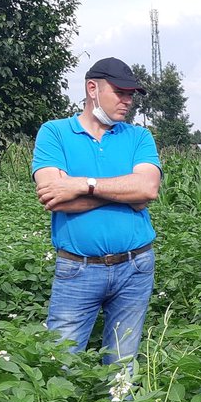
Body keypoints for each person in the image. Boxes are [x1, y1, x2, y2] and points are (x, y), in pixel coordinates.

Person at [31, 57, 162, 369]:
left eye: (131, 95)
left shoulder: (138, 136)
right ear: (92, 88)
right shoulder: (54, 133)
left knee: (123, 363)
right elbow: (56, 199)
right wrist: (124, 194)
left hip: (136, 266)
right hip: (78, 269)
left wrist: (83, 184)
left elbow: (147, 190)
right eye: (120, 92)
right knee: (59, 362)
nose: (127, 101)